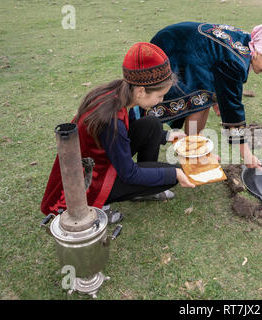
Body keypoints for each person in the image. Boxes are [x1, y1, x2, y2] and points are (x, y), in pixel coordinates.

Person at [41, 42, 195, 224]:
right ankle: (99, 204)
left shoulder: (119, 92)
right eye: (159, 96)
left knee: (153, 124)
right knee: (170, 174)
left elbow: (129, 132)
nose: (160, 101)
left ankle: (143, 191)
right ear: (140, 91)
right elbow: (128, 173)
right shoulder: (111, 120)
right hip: (89, 178)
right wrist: (175, 174)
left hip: (104, 159)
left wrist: (166, 136)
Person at [129, 22, 262, 169]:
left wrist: (218, 98)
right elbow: (233, 111)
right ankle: (176, 157)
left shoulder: (248, 42)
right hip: (174, 50)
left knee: (204, 99)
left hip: (190, 51)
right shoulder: (235, 61)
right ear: (258, 53)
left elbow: (217, 66)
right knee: (162, 102)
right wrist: (246, 155)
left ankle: (194, 151)